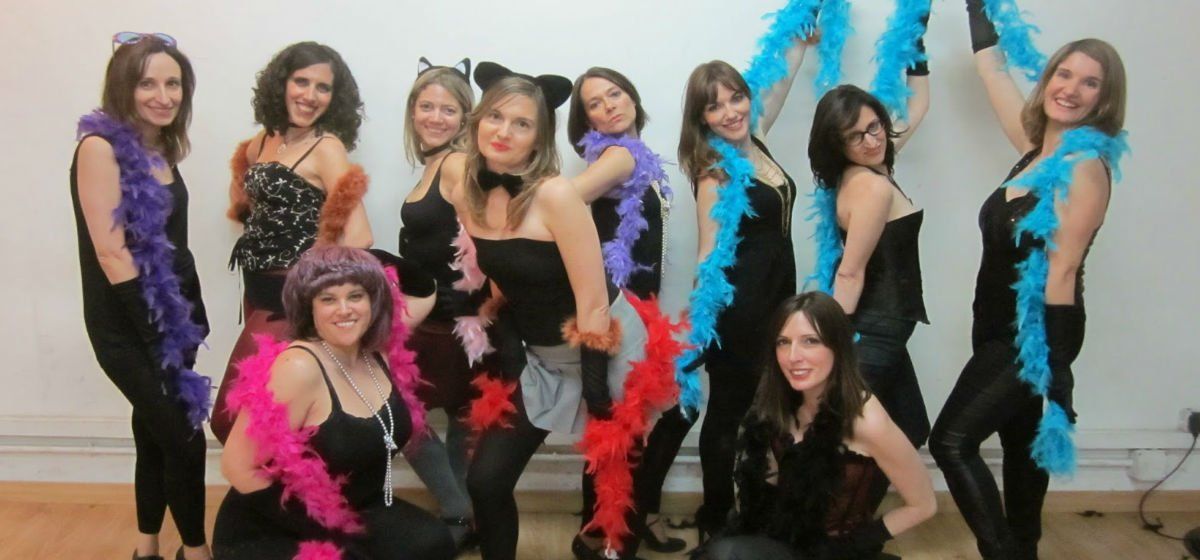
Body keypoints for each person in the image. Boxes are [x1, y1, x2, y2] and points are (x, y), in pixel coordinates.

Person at [438, 61, 677, 560]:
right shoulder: (466, 191)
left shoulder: (556, 196)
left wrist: (597, 392)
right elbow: (500, 277)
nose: (504, 132)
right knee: (486, 480)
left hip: (607, 350)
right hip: (543, 359)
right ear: (478, 119)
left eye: (522, 123)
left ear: (539, 137)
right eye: (495, 116)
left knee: (618, 485)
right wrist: (506, 341)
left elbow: (593, 301)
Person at [929, 3, 1128, 558]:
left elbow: (1062, 270)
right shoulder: (1034, 153)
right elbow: (992, 68)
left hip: (1034, 333)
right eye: (1064, 74)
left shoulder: (1084, 168)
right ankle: (1026, 548)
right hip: (994, 322)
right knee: (1018, 447)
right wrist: (978, 6)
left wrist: (1055, 369)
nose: (1071, 88)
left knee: (951, 441)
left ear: (1104, 100)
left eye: (1090, 83)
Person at [213, 245, 453, 559]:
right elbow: (237, 467)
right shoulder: (298, 368)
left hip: (358, 509)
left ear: (373, 301)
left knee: (434, 543)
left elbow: (424, 291)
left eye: (356, 296)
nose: (344, 310)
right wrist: (329, 533)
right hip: (277, 524)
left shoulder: (375, 351)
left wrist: (368, 255)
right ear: (308, 307)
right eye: (328, 299)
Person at [71, 33, 212, 560]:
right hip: (129, 325)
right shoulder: (99, 148)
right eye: (148, 83)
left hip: (174, 317)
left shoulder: (160, 149)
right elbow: (111, 252)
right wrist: (158, 335)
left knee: (153, 431)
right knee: (183, 436)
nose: (163, 95)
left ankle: (146, 545)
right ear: (123, 87)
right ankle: (196, 551)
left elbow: (172, 242)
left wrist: (186, 316)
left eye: (173, 83)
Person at [676, 42, 809, 537]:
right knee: (728, 413)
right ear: (702, 118)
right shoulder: (716, 172)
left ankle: (754, 508)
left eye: (737, 98)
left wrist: (801, 40)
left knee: (764, 410)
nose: (731, 112)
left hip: (777, 300)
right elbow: (708, 253)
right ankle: (715, 516)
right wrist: (701, 321)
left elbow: (779, 87)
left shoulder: (757, 141)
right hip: (741, 309)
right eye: (715, 106)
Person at [212, 41, 373, 443]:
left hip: (288, 303)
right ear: (282, 84)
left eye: (323, 87)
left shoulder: (327, 147)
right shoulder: (266, 140)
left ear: (335, 98)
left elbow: (360, 236)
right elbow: (248, 191)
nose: (310, 95)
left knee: (235, 420)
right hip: (256, 296)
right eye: (302, 82)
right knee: (259, 421)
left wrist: (313, 292)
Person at [696, 292, 936, 560]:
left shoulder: (865, 419)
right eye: (783, 342)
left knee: (726, 554)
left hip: (835, 552)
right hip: (786, 542)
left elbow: (924, 505)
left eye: (810, 341)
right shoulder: (779, 401)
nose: (793, 356)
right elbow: (770, 491)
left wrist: (852, 546)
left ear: (838, 347)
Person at [565, 66, 686, 554]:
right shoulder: (618, 156)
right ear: (587, 120)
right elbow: (561, 203)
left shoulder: (637, 158)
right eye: (594, 103)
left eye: (614, 94)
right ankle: (612, 541)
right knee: (622, 427)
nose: (608, 105)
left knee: (624, 425)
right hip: (616, 315)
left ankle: (599, 534)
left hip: (635, 313)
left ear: (632, 97)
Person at [807, 29, 932, 448]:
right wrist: (834, 346)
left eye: (874, 125)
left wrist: (915, 39)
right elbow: (850, 272)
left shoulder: (866, 168)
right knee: (841, 434)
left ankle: (864, 498)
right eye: (855, 136)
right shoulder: (872, 187)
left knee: (910, 427)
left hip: (886, 321)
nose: (873, 140)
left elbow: (918, 107)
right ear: (837, 145)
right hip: (877, 325)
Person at [396, 56, 480, 550]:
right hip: (429, 317)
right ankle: (462, 514)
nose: (435, 117)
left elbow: (483, 239)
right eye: (426, 106)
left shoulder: (456, 163)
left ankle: (457, 512)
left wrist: (469, 306)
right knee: (450, 416)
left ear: (465, 117)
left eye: (448, 109)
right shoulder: (434, 163)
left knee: (415, 414)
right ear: (412, 111)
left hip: (451, 319)